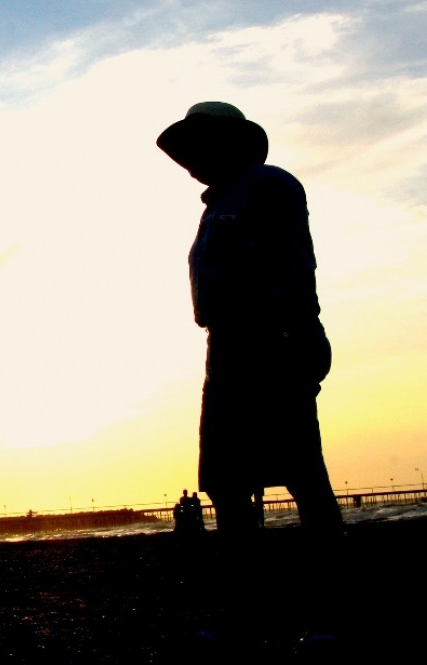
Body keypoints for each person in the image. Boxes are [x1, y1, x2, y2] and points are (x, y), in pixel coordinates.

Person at [157, 101, 345, 647]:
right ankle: (245, 614)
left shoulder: (269, 186)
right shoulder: (214, 207)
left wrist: (294, 341)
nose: (189, 162)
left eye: (198, 147)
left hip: (271, 343)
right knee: (226, 483)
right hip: (228, 349)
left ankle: (329, 614)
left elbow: (291, 269)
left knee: (304, 480)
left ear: (228, 143)